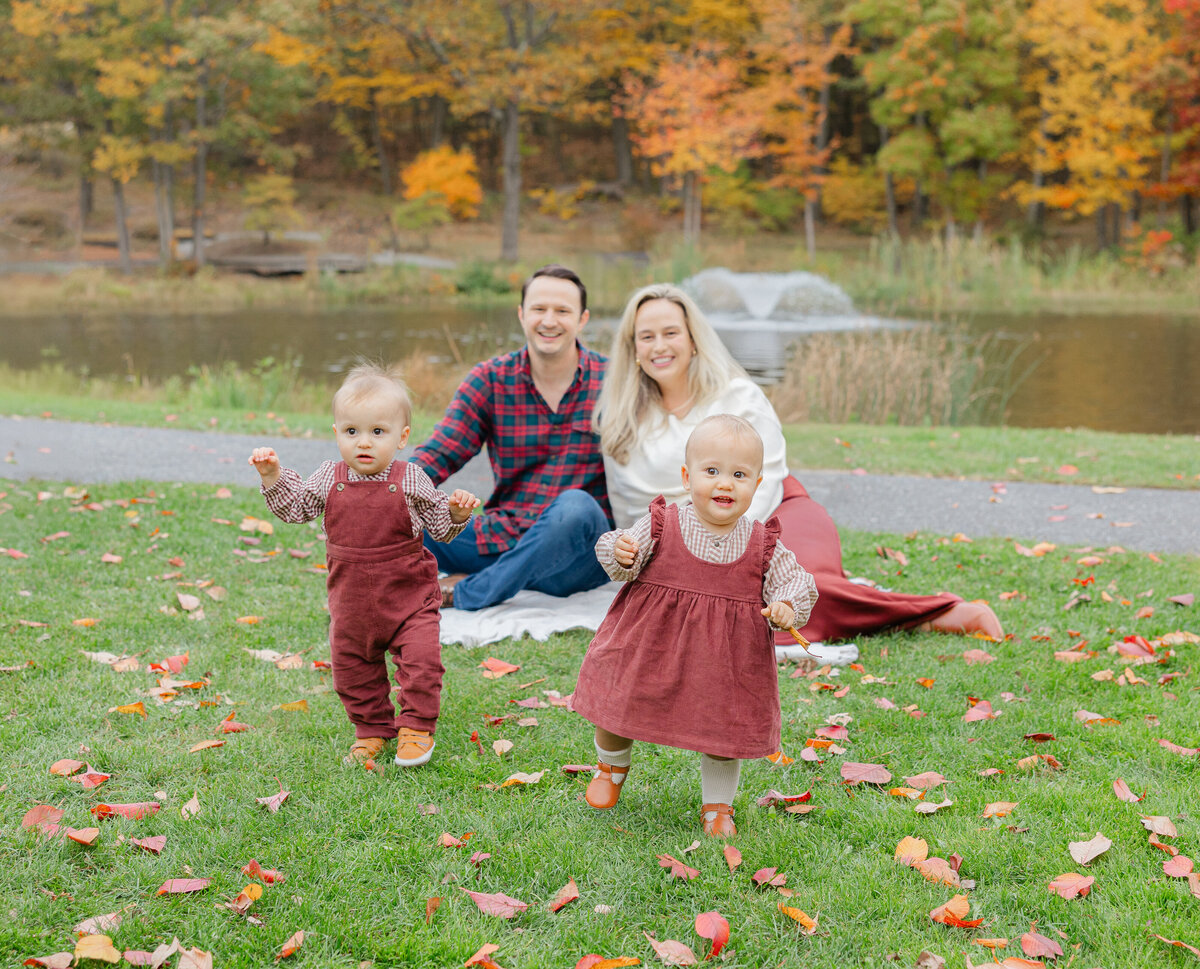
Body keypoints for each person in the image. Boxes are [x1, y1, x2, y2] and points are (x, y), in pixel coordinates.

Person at [593, 282, 1004, 645]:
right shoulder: (623, 419)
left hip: (772, 511)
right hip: (682, 542)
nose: (659, 346)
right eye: (646, 336)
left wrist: (729, 548)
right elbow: (631, 509)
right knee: (729, 613)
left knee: (794, 590)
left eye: (671, 333)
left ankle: (938, 614)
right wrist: (670, 555)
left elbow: (767, 477)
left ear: (694, 340)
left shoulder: (738, 396)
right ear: (633, 349)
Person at [571, 415, 817, 838]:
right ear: (687, 478)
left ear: (756, 485)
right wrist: (622, 552)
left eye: (739, 475)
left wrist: (786, 606)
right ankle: (611, 768)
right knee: (617, 703)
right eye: (712, 471)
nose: (725, 484)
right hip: (649, 645)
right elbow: (619, 557)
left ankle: (718, 805)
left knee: (724, 727)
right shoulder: (664, 523)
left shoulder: (762, 544)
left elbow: (798, 581)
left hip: (725, 662)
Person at [249, 363, 480, 768]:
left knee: (422, 663)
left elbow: (440, 527)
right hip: (351, 601)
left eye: (378, 432)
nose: (364, 443)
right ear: (336, 432)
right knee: (352, 670)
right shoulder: (327, 478)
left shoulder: (411, 479)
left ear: (402, 437)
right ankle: (371, 729)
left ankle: (416, 727)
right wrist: (273, 477)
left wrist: (457, 514)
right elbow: (296, 507)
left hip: (409, 598)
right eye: (352, 431)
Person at [410, 264, 613, 610]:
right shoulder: (490, 379)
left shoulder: (613, 382)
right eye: (539, 309)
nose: (549, 321)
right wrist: (378, 496)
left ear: (582, 319)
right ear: (522, 314)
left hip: (576, 556)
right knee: (401, 518)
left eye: (562, 311)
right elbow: (439, 455)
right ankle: (513, 574)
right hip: (501, 536)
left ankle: (469, 590)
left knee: (576, 506)